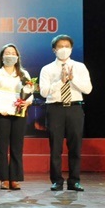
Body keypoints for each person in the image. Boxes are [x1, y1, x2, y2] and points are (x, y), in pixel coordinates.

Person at [39, 35, 92, 192]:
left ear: (71, 48)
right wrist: (60, 81)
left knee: (75, 146)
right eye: (60, 46)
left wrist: (72, 79)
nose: (64, 49)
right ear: (54, 50)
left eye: (67, 46)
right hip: (55, 108)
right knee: (55, 147)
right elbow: (43, 92)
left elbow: (88, 89)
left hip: (75, 107)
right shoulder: (47, 69)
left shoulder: (80, 67)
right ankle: (56, 180)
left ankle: (74, 180)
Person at [0, 44, 32, 190]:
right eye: (7, 53)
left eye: (13, 53)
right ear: (2, 57)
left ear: (17, 57)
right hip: (1, 114)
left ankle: (15, 178)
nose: (10, 55)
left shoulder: (24, 74)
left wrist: (27, 103)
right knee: (1, 147)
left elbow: (30, 92)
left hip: (19, 113)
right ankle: (4, 178)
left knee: (17, 146)